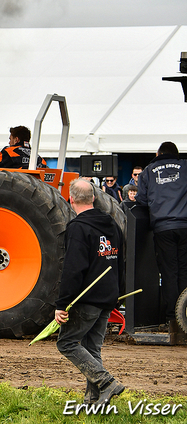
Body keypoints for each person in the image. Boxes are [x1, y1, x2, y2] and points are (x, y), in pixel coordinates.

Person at [55, 178, 125, 406]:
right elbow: (119, 262)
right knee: (91, 348)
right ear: (94, 198)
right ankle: (92, 399)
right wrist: (117, 293)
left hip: (87, 299)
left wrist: (62, 304)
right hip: (107, 297)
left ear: (71, 199)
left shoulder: (78, 228)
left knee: (66, 343)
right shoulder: (112, 224)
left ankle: (106, 382)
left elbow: (73, 269)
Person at [136, 141, 187, 328]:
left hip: (163, 228)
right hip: (185, 226)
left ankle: (172, 318)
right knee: (184, 271)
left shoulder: (149, 171)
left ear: (158, 154)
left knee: (169, 272)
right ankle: (185, 315)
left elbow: (141, 199)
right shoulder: (185, 166)